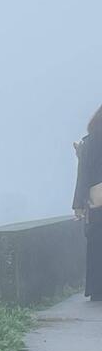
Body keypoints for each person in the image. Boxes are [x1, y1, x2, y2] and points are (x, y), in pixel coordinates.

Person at [73, 105, 102, 302]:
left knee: (96, 244)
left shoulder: (90, 141)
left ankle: (96, 289)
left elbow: (83, 176)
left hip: (96, 201)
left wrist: (79, 204)